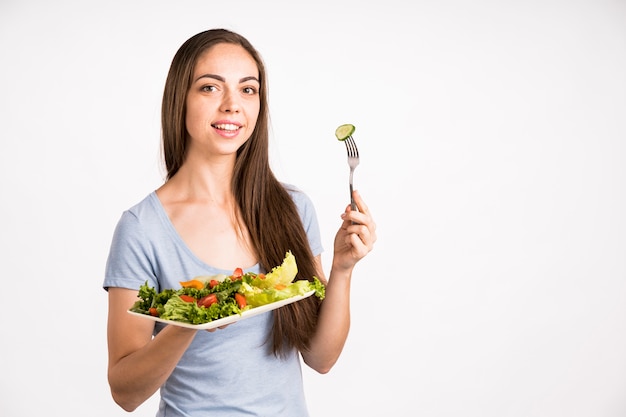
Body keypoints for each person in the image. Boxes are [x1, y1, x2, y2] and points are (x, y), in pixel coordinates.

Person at [103, 28, 376, 417]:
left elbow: (321, 357)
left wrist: (344, 269)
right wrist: (192, 320)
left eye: (248, 90)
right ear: (180, 99)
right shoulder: (142, 228)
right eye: (210, 88)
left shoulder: (293, 208)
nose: (233, 105)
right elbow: (125, 392)